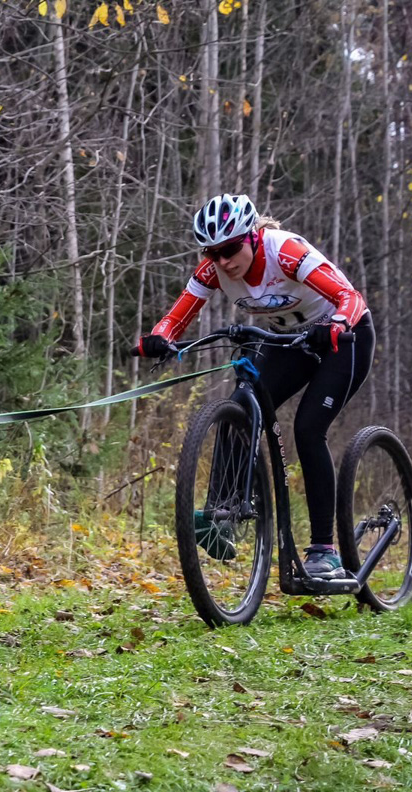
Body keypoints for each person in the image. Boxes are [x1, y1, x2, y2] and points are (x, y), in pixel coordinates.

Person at [134, 193, 375, 578]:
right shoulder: (214, 270)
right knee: (241, 411)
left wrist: (337, 324)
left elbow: (350, 296)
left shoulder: (287, 253)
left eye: (230, 249)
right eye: (213, 253)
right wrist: (158, 338)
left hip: (343, 338)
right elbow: (176, 317)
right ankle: (222, 514)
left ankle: (324, 550)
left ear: (252, 237)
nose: (223, 261)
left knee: (309, 429)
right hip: (289, 341)